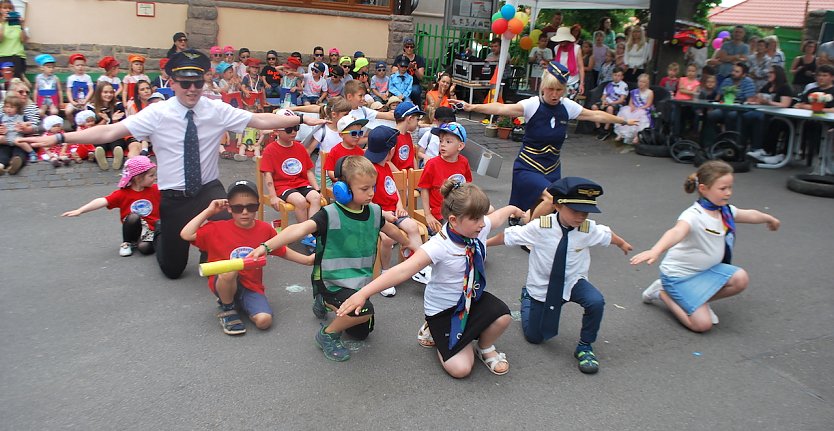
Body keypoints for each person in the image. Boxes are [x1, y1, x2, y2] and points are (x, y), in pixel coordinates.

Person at [19, 49, 327, 280]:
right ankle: (163, 230)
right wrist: (60, 138)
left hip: (208, 188)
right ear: (172, 81)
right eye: (184, 83)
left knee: (228, 235)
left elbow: (259, 119)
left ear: (203, 80)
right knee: (173, 270)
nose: (191, 89)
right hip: (174, 196)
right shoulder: (158, 113)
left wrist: (301, 118)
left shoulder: (214, 109)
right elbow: (111, 131)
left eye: (196, 82)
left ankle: (219, 255)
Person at [337, 180, 523, 377]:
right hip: (444, 309)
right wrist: (363, 293)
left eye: (482, 217)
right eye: (476, 218)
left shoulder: (478, 227)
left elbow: (497, 217)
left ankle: (484, 348)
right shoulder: (439, 246)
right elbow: (402, 271)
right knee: (461, 369)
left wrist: (512, 208)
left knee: (503, 317)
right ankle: (436, 330)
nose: (482, 223)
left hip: (470, 298)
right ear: (453, 220)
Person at [250, 155, 412, 361]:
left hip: (358, 283)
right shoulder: (330, 214)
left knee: (362, 333)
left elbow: (393, 232)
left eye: (373, 187)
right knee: (363, 311)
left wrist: (411, 244)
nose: (371, 193)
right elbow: (299, 229)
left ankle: (325, 304)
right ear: (343, 188)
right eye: (364, 189)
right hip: (331, 282)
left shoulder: (374, 212)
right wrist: (266, 246)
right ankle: (327, 334)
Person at [451, 61, 635, 212]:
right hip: (528, 166)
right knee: (551, 198)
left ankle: (528, 222)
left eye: (559, 90)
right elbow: (502, 108)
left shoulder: (567, 107)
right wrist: (472, 107)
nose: (555, 95)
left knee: (554, 207)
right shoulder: (533, 105)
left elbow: (595, 115)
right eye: (551, 89)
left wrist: (623, 121)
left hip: (553, 167)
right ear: (543, 87)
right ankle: (528, 232)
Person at [498, 177, 632, 374]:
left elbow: (607, 234)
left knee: (595, 301)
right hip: (543, 285)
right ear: (558, 206)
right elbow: (509, 235)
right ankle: (527, 297)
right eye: (575, 211)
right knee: (535, 338)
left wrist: (622, 244)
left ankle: (585, 346)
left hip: (572, 281)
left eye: (585, 212)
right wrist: (482, 244)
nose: (581, 217)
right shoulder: (541, 227)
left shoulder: (587, 228)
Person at [631, 161, 780, 333]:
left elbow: (751, 214)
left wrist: (769, 219)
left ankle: (696, 299)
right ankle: (662, 293)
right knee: (702, 325)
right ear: (703, 189)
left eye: (730, 187)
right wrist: (656, 250)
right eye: (723, 188)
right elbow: (676, 231)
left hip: (705, 272)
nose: (728, 193)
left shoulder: (725, 211)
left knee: (740, 279)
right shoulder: (693, 215)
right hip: (679, 277)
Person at [181, 180, 313, 335]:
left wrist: (308, 260)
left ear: (257, 206)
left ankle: (237, 300)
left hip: (251, 285)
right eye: (238, 208)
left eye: (250, 207)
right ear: (229, 208)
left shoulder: (264, 229)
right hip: (223, 280)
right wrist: (209, 211)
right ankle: (228, 309)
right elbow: (186, 234)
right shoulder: (217, 228)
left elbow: (281, 250)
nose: (245, 212)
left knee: (264, 321)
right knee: (230, 270)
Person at [363, 125, 425, 297]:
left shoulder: (386, 166)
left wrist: (399, 205)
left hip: (393, 211)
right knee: (388, 239)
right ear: (391, 151)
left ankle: (419, 265)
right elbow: (362, 202)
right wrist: (383, 214)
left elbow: (393, 189)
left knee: (412, 227)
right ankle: (385, 274)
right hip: (376, 216)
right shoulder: (369, 170)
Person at [62, 155, 160, 257]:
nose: (155, 178)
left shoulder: (156, 189)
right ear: (138, 178)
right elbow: (103, 201)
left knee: (145, 249)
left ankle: (150, 241)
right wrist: (80, 210)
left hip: (151, 230)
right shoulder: (123, 194)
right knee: (133, 217)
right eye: (151, 176)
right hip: (134, 228)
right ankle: (126, 243)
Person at [260, 123, 321, 233]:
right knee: (300, 201)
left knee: (316, 197)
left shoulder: (300, 147)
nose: (293, 132)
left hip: (300, 183)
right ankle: (305, 233)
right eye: (289, 129)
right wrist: (273, 196)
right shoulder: (270, 150)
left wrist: (317, 188)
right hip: (282, 186)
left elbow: (308, 171)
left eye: (296, 128)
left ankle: (312, 231)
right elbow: (267, 175)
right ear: (276, 131)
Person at [418, 122, 472, 234]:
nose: (442, 144)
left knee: (482, 217)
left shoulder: (464, 162)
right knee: (450, 234)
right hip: (439, 212)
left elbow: (468, 186)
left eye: (448, 141)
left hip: (460, 209)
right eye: (441, 141)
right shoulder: (432, 164)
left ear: (460, 146)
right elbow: (424, 189)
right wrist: (427, 214)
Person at [742, 66, 793, 164]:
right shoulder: (768, 86)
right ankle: (752, 147)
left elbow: (785, 104)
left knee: (764, 119)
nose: (769, 74)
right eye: (768, 72)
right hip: (765, 112)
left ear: (778, 74)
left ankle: (767, 151)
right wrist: (755, 101)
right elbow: (759, 98)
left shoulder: (785, 87)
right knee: (746, 116)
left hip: (780, 116)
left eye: (772, 72)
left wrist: (768, 102)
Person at [702, 62, 757, 147]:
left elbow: (749, 100)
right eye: (733, 71)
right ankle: (711, 143)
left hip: (739, 110)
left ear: (743, 74)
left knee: (732, 115)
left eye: (737, 72)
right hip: (724, 107)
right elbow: (718, 96)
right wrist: (713, 106)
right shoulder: (727, 80)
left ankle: (731, 143)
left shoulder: (748, 82)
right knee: (711, 115)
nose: (733, 73)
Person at [90, 82, 127, 170]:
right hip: (99, 134)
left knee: (117, 141)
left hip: (114, 133)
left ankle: (118, 154)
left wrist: (115, 120)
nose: (109, 95)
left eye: (111, 92)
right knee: (99, 142)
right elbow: (91, 129)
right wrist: (105, 120)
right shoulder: (91, 108)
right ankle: (100, 154)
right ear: (99, 93)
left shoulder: (118, 106)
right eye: (105, 92)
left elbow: (123, 127)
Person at [324, 115, 368, 182]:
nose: (357, 136)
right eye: (353, 133)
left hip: (358, 182)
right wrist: (343, 180)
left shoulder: (359, 151)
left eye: (360, 133)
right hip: (341, 184)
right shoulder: (335, 151)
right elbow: (330, 172)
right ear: (341, 135)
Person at [591, 67, 628, 140]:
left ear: (622, 77)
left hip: (617, 103)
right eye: (615, 75)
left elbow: (621, 100)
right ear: (612, 75)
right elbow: (603, 96)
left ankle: (606, 130)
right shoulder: (609, 85)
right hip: (607, 101)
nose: (616, 77)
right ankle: (599, 128)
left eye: (619, 75)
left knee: (610, 108)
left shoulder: (624, 85)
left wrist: (611, 103)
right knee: (594, 107)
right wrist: (604, 101)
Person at [551, 27, 585, 98]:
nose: (561, 42)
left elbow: (581, 67)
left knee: (569, 104)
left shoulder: (577, 48)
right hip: (560, 80)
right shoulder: (556, 48)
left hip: (573, 81)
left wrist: (582, 83)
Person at [392, 37, 426, 107]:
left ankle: (417, 108)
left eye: (411, 46)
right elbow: (393, 72)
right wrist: (407, 68)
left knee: (415, 90)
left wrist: (415, 69)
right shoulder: (399, 58)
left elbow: (421, 77)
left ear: (414, 48)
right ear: (404, 47)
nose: (409, 48)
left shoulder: (419, 59)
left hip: (413, 84)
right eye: (407, 46)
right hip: (400, 83)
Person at [391, 101, 423, 171]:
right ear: (410, 119)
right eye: (417, 119)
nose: (418, 123)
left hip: (410, 177)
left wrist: (416, 175)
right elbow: (388, 161)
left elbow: (412, 158)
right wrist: (402, 177)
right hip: (399, 178)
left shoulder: (408, 135)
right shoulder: (392, 136)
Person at [0, 1, 28, 79]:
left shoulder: (17, 24)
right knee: (4, 83)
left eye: (10, 8)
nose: (8, 10)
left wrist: (22, 25)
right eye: (5, 8)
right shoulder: (0, 24)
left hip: (18, 57)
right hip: (3, 57)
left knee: (17, 82)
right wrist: (2, 23)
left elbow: (23, 40)